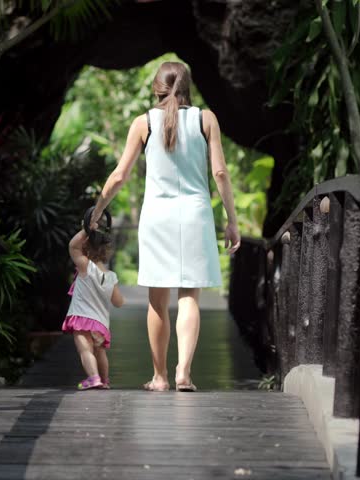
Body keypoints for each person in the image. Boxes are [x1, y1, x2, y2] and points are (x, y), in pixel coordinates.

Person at [90, 61, 241, 392]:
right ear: (189, 87)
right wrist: (232, 220)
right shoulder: (206, 119)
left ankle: (159, 377)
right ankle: (183, 372)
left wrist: (98, 209)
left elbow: (119, 175)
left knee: (157, 300)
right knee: (189, 296)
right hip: (196, 215)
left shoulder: (143, 123)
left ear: (156, 88)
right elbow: (220, 173)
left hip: (156, 217)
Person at [62, 222, 125, 390]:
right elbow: (118, 303)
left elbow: (72, 245)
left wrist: (86, 229)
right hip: (100, 323)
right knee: (100, 352)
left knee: (85, 351)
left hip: (82, 318)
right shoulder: (111, 277)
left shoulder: (85, 266)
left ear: (85, 249)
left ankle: (93, 377)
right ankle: (104, 381)